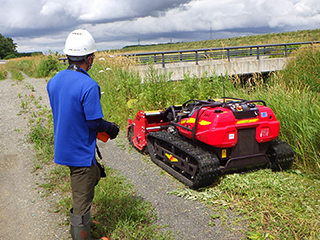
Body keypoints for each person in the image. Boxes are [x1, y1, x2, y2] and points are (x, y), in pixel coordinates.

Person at [47, 29, 119, 240]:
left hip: (63, 144)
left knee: (94, 174)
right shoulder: (88, 85)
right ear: (89, 58)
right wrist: (111, 128)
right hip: (79, 150)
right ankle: (81, 232)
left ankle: (84, 221)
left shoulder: (55, 80)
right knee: (82, 194)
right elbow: (94, 122)